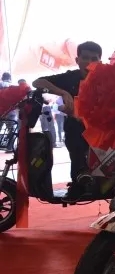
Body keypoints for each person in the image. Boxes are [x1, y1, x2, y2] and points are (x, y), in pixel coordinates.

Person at [32, 41, 102, 199]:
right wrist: (63, 92)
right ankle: (80, 178)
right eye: (85, 57)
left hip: (103, 126)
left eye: (94, 59)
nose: (89, 62)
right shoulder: (70, 77)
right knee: (72, 126)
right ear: (77, 60)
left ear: (100, 61)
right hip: (78, 127)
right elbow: (37, 82)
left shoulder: (107, 77)